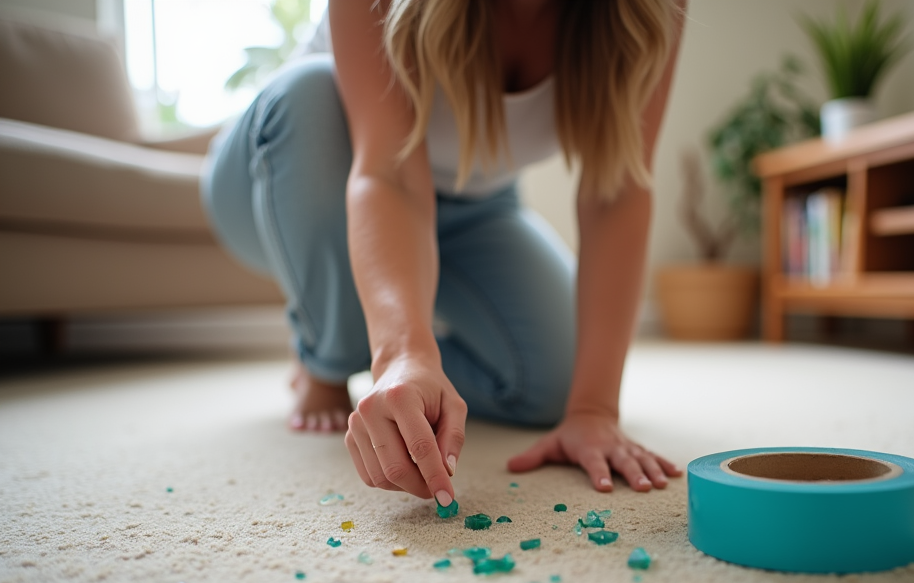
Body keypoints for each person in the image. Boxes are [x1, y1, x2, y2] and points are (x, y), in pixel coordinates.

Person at [202, 0, 686, 510]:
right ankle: (328, 356)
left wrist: (594, 408)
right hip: (295, 175)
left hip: (472, 203)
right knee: (309, 91)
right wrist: (401, 352)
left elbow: (619, 189)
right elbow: (387, 174)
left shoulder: (653, 9)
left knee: (554, 381)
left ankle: (380, 343)